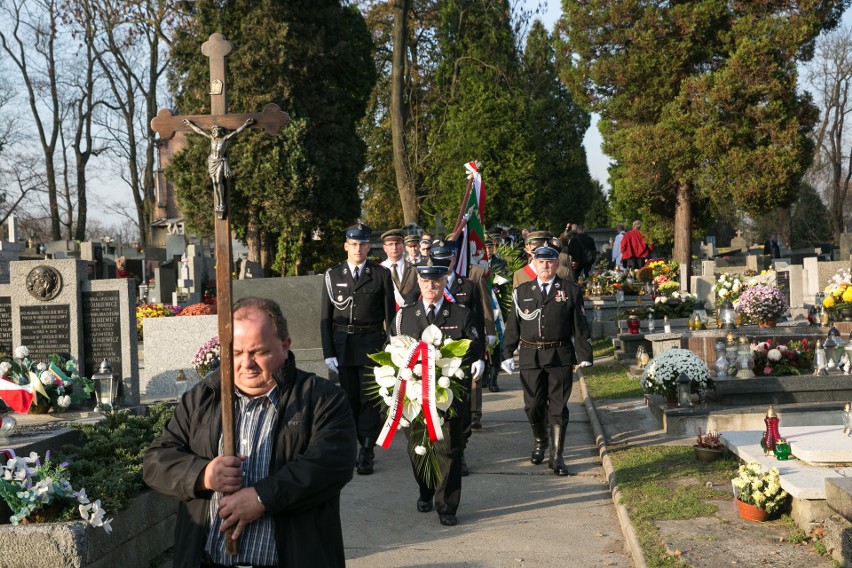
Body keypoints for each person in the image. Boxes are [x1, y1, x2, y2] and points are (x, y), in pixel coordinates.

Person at [143, 297, 356, 567]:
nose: (247, 364)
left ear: (285, 345)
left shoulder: (322, 399)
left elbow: (331, 464)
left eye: (259, 352)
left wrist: (262, 497)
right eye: (236, 352)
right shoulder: (203, 398)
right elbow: (156, 461)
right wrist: (202, 475)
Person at [391, 264, 484, 526]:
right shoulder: (404, 317)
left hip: (449, 395)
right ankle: (426, 489)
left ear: (444, 282)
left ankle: (447, 506)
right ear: (418, 283)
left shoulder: (460, 313)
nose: (431, 287)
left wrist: (478, 361)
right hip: (414, 397)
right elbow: (390, 351)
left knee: (450, 450)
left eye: (436, 281)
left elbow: (474, 345)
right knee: (417, 449)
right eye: (426, 282)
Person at [501, 246, 593, 476]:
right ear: (534, 262)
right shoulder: (522, 291)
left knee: (558, 407)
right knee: (533, 406)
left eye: (550, 262)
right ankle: (541, 440)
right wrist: (506, 352)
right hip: (530, 355)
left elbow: (580, 326)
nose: (545, 266)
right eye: (541, 261)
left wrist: (584, 355)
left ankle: (557, 455)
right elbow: (513, 325)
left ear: (556, 264)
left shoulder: (570, 290)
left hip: (559, 354)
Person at [321, 224, 395, 475]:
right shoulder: (333, 276)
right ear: (346, 246)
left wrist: (390, 349)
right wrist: (328, 352)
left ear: (368, 247)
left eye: (363, 244)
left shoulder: (381, 275)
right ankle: (352, 444)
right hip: (343, 346)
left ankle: (366, 449)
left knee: (370, 399)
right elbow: (325, 318)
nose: (358, 249)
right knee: (350, 399)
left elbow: (391, 317)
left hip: (372, 344)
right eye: (353, 244)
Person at [182, 117, 255, 219]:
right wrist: (190, 124)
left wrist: (245, 124)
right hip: (212, 161)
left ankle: (222, 203)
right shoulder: (211, 138)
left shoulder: (224, 139)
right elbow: (200, 131)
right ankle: (218, 203)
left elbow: (236, 132)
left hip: (220, 161)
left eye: (217, 130)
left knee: (218, 181)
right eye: (214, 130)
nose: (215, 132)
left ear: (220, 132)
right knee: (214, 183)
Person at [380, 229, 419, 307]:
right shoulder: (378, 269)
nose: (394, 247)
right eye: (390, 244)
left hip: (410, 314)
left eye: (397, 243)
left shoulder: (415, 269)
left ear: (404, 246)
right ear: (384, 248)